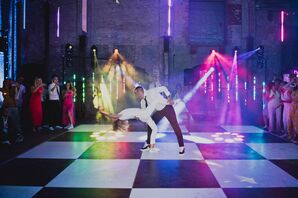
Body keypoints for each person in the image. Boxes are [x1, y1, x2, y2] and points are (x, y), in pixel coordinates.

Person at [134, 85, 185, 154]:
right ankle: (148, 144)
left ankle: (182, 146)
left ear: (141, 92)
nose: (136, 95)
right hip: (159, 111)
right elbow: (144, 113)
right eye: (135, 94)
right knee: (150, 124)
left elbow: (163, 88)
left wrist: (169, 97)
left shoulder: (151, 92)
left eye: (136, 93)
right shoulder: (142, 102)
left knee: (175, 126)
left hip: (167, 107)